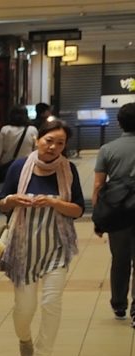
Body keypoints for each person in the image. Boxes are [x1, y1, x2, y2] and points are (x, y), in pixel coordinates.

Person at [0, 119, 84, 356]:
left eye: (60, 143)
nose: (53, 147)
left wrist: (55, 203)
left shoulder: (68, 170)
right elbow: (2, 204)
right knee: (24, 307)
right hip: (23, 247)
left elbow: (78, 209)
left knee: (51, 303)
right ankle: (24, 337)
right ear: (38, 139)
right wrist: (12, 199)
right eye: (49, 141)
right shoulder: (19, 167)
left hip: (57, 246)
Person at [93, 103, 135, 325]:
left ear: (119, 123)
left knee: (120, 260)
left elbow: (99, 186)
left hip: (118, 213)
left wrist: (99, 219)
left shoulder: (107, 149)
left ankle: (119, 305)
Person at [0, 106, 37, 181]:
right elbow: (36, 150)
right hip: (26, 165)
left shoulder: (5, 130)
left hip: (9, 166)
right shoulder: (32, 130)